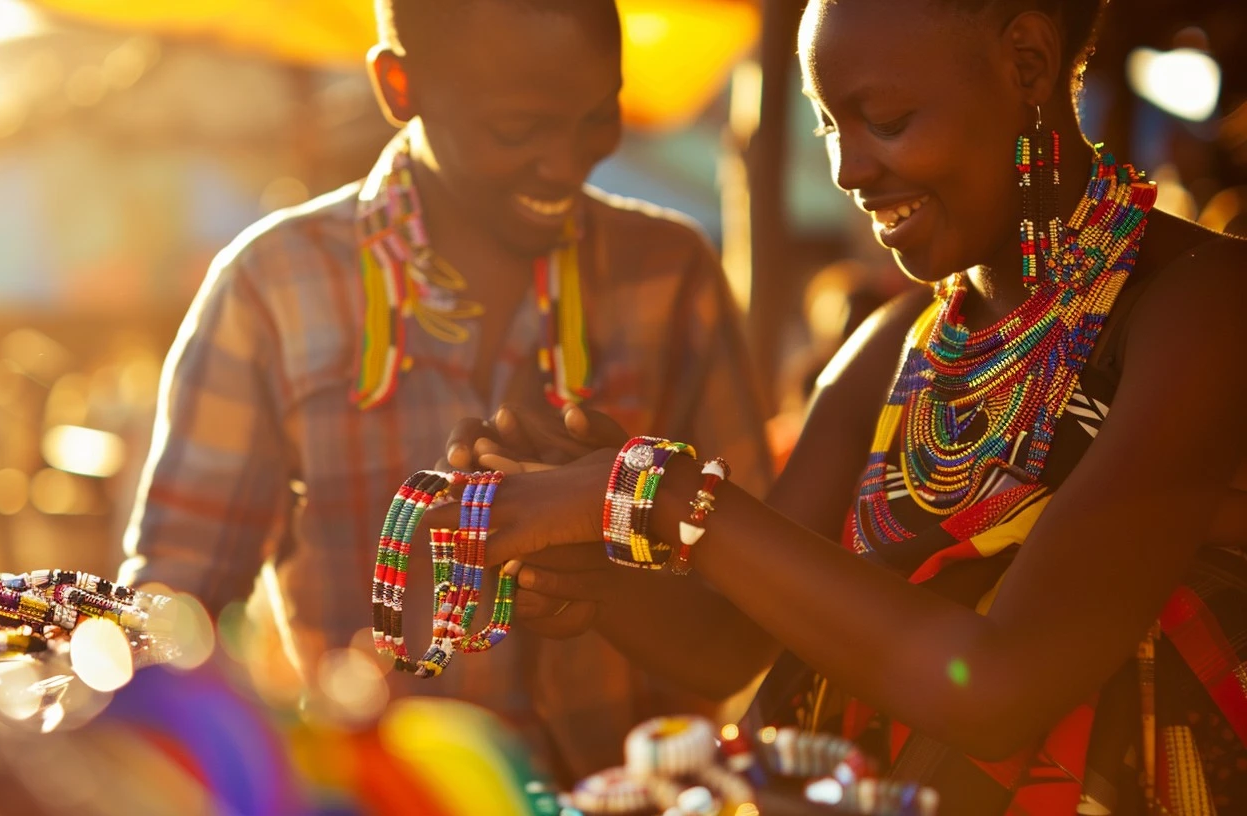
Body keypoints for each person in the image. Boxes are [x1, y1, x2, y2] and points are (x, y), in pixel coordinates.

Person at [442, 0, 1247, 811]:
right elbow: (729, 642)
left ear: (1028, 64)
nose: (848, 170)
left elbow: (998, 685)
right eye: (829, 127)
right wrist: (600, 544)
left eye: (886, 120)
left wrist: (660, 492)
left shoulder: (1205, 310)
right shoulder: (897, 349)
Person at [119, 0, 771, 782]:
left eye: (598, 118)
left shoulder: (669, 276)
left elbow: (749, 618)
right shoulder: (274, 291)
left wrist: (603, 555)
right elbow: (172, 618)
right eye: (517, 130)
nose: (567, 164)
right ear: (399, 86)